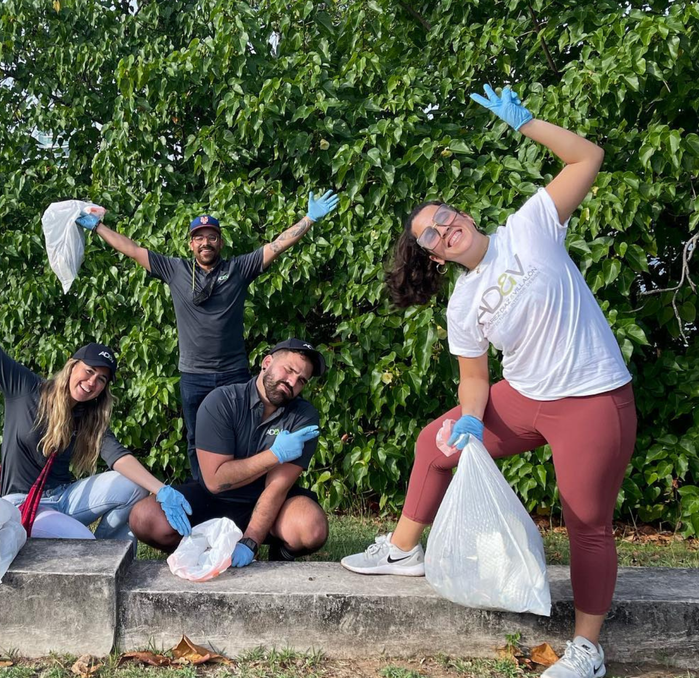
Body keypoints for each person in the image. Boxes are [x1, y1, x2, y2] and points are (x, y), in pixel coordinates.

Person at [340, 84, 634, 678]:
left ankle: (587, 648)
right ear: (433, 257)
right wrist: (471, 418)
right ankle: (402, 550)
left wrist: (527, 123)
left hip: (591, 397)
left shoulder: (530, 226)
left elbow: (588, 158)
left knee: (586, 522)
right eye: (429, 233)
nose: (443, 228)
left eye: (445, 217)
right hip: (524, 399)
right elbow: (474, 379)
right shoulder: (462, 306)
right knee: (435, 442)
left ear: (464, 216)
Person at [0, 247, 194, 544]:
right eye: (88, 371)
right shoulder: (26, 388)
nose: (92, 382)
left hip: (63, 499)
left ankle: (109, 554)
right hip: (19, 503)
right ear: (72, 367)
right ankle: (97, 555)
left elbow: (118, 457)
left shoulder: (88, 416)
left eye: (101, 380)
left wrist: (160, 489)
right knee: (81, 541)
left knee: (133, 487)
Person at [80, 192, 339, 482]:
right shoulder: (174, 269)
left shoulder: (238, 269)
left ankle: (238, 493)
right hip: (194, 375)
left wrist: (309, 219)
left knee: (241, 437)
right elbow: (132, 249)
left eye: (212, 237)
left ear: (221, 242)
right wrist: (98, 227)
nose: (206, 242)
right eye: (199, 237)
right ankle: (204, 492)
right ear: (191, 244)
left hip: (233, 374)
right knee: (196, 439)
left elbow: (276, 246)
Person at [130, 339, 328, 566]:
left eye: (301, 380)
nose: (292, 381)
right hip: (213, 500)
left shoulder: (304, 417)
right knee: (144, 517)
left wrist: (250, 541)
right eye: (289, 370)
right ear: (267, 362)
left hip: (269, 501)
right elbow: (215, 481)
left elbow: (277, 486)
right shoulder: (222, 401)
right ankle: (200, 552)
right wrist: (275, 455)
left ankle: (279, 557)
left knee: (312, 527)